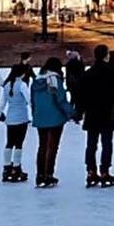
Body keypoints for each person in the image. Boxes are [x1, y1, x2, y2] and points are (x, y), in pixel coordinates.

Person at [30, 57, 75, 187]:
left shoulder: (36, 81)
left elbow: (32, 101)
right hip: (55, 118)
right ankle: (48, 174)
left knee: (42, 146)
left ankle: (40, 175)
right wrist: (72, 113)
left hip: (40, 117)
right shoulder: (54, 80)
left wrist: (35, 114)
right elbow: (60, 100)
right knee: (52, 147)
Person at [79, 44, 114, 187]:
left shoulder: (88, 73)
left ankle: (91, 170)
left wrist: (81, 110)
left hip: (92, 113)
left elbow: (82, 94)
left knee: (91, 143)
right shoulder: (111, 73)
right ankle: (104, 170)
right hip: (107, 112)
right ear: (106, 55)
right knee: (106, 143)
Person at [0, 59, 33, 183]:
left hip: (10, 119)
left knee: (9, 142)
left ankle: (6, 167)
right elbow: (29, 100)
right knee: (19, 143)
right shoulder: (22, 85)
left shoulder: (7, 85)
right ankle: (16, 167)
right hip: (21, 118)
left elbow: (3, 102)